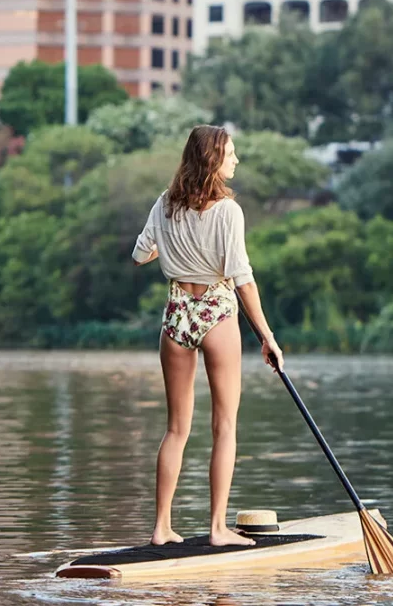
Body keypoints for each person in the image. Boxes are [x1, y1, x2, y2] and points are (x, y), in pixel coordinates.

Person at [132, 125, 285, 547]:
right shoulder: (228, 211)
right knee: (225, 426)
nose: (235, 161)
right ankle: (218, 529)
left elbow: (140, 255)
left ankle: (162, 527)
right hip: (217, 311)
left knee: (176, 429)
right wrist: (267, 337)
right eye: (231, 154)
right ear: (214, 159)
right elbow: (242, 278)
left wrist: (176, 243)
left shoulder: (163, 205)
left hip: (177, 312)